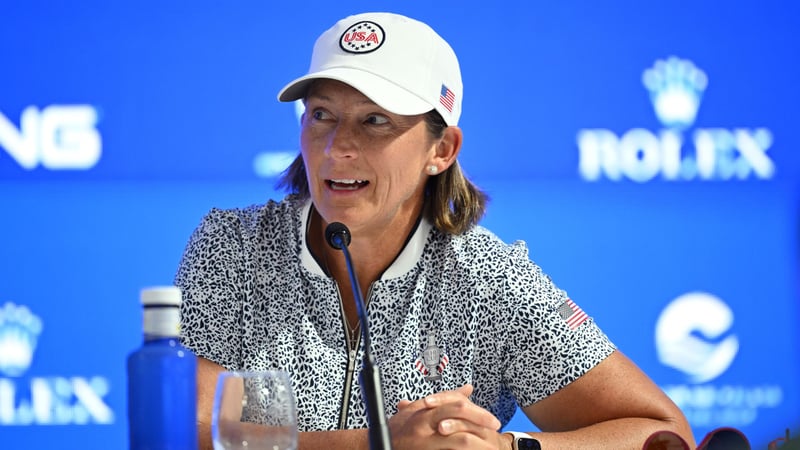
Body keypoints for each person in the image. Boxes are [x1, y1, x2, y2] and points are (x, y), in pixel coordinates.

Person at [175, 11, 697, 450]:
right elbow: (183, 429)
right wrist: (384, 443)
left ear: (441, 150)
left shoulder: (489, 279)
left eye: (375, 120)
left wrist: (505, 448)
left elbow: (663, 432)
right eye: (321, 116)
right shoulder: (234, 245)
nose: (337, 147)